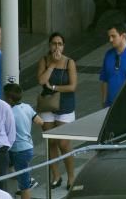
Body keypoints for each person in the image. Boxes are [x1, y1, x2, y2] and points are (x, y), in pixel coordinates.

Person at [36, 32, 76, 191]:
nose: (57, 47)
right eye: (54, 43)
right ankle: (56, 175)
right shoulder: (45, 61)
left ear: (63, 46)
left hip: (65, 105)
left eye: (60, 44)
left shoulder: (69, 63)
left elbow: (72, 86)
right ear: (50, 45)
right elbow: (40, 80)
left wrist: (54, 87)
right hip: (48, 105)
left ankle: (71, 176)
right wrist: (52, 64)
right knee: (51, 141)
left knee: (64, 143)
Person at [4, 84, 41, 199]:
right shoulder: (27, 107)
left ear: (9, 99)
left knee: (24, 186)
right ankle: (26, 178)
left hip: (17, 150)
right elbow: (40, 122)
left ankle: (27, 180)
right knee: (15, 171)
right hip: (28, 147)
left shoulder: (9, 112)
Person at [99, 24, 126, 107]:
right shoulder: (108, 55)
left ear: (123, 36)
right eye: (109, 37)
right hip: (110, 105)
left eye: (113, 36)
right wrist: (104, 101)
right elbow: (104, 79)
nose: (110, 40)